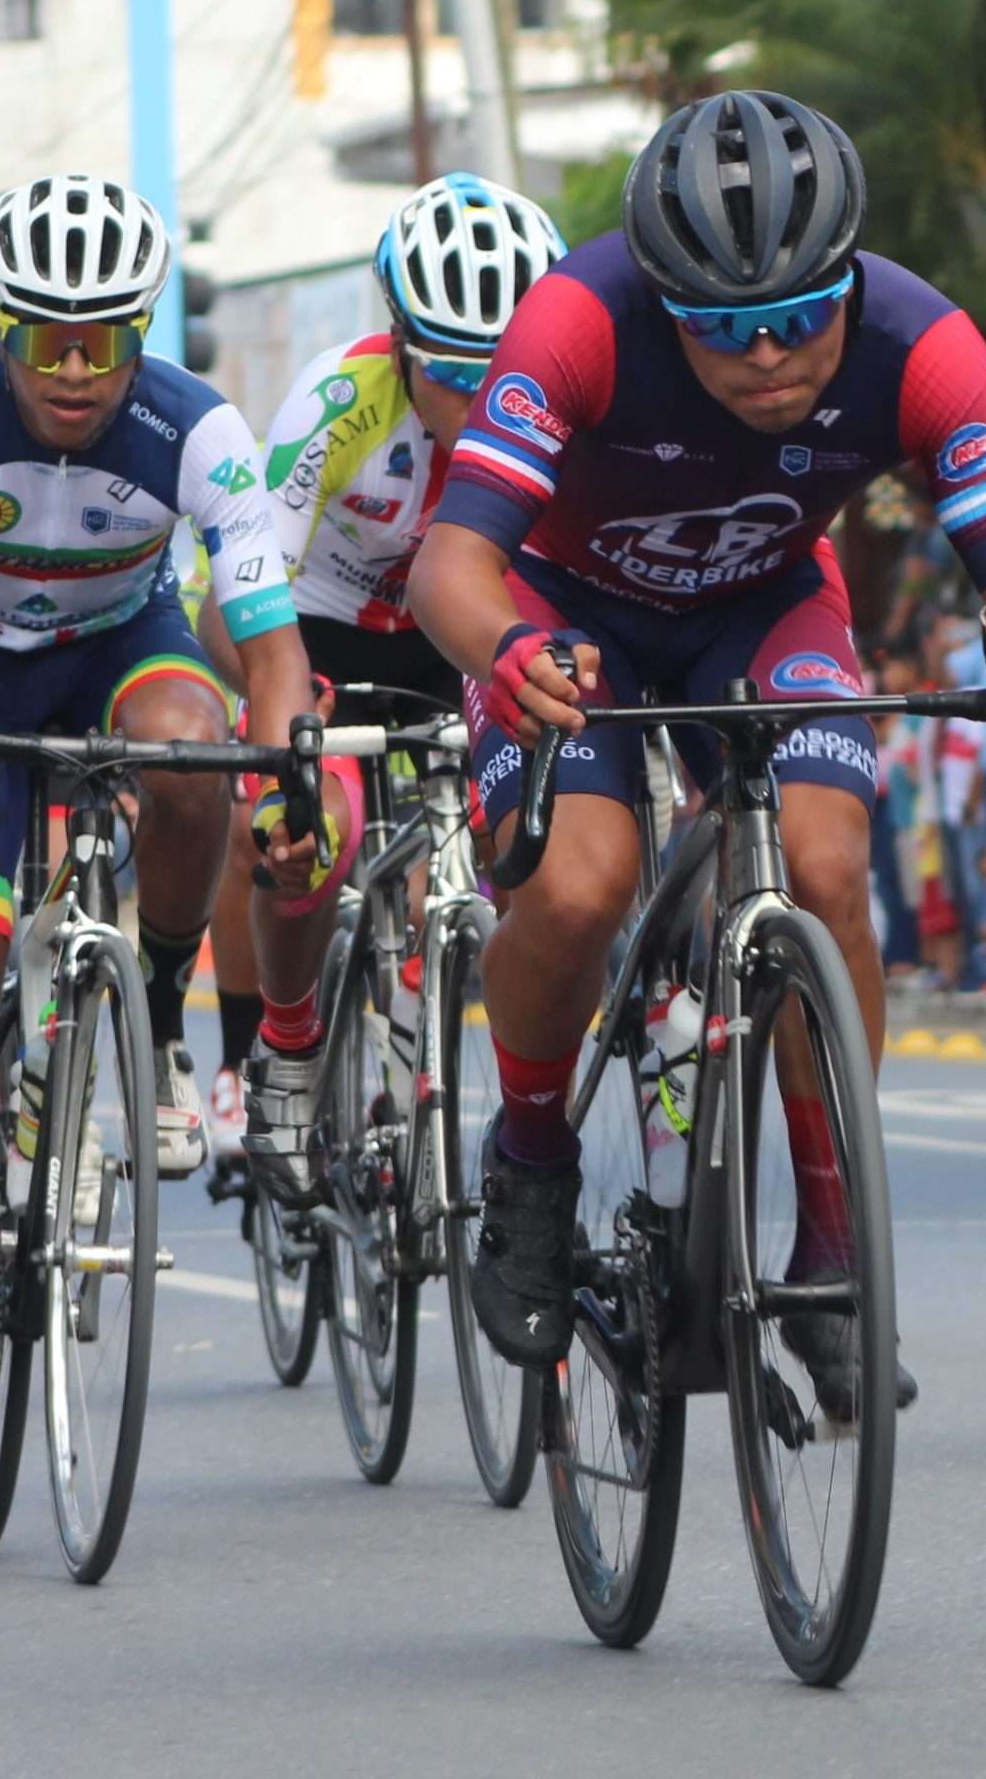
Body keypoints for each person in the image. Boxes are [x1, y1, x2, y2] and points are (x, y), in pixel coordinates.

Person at [410, 90, 986, 1417]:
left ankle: (834, 1251)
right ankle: (533, 1157)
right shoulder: (578, 320)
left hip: (763, 600)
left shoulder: (928, 344)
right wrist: (505, 653)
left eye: (801, 316)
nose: (769, 354)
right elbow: (452, 564)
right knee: (580, 886)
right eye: (723, 329)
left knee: (830, 866)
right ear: (665, 302)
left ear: (853, 280)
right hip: (565, 609)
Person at [0, 176, 314, 1471]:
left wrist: (290, 771)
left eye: (104, 338)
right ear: (0, 326)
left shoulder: (197, 427)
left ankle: (152, 1012)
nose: (75, 370)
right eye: (44, 338)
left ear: (144, 328)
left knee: (197, 754)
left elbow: (269, 639)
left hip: (113, 648)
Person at [237, 172, 568, 1200]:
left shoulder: (566, 406)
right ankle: (287, 1046)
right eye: (451, 375)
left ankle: (436, 1007)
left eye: (502, 372)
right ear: (400, 343)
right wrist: (282, 717)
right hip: (319, 629)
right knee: (309, 846)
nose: (478, 406)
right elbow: (240, 594)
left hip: (451, 638)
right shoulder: (339, 400)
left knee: (526, 838)